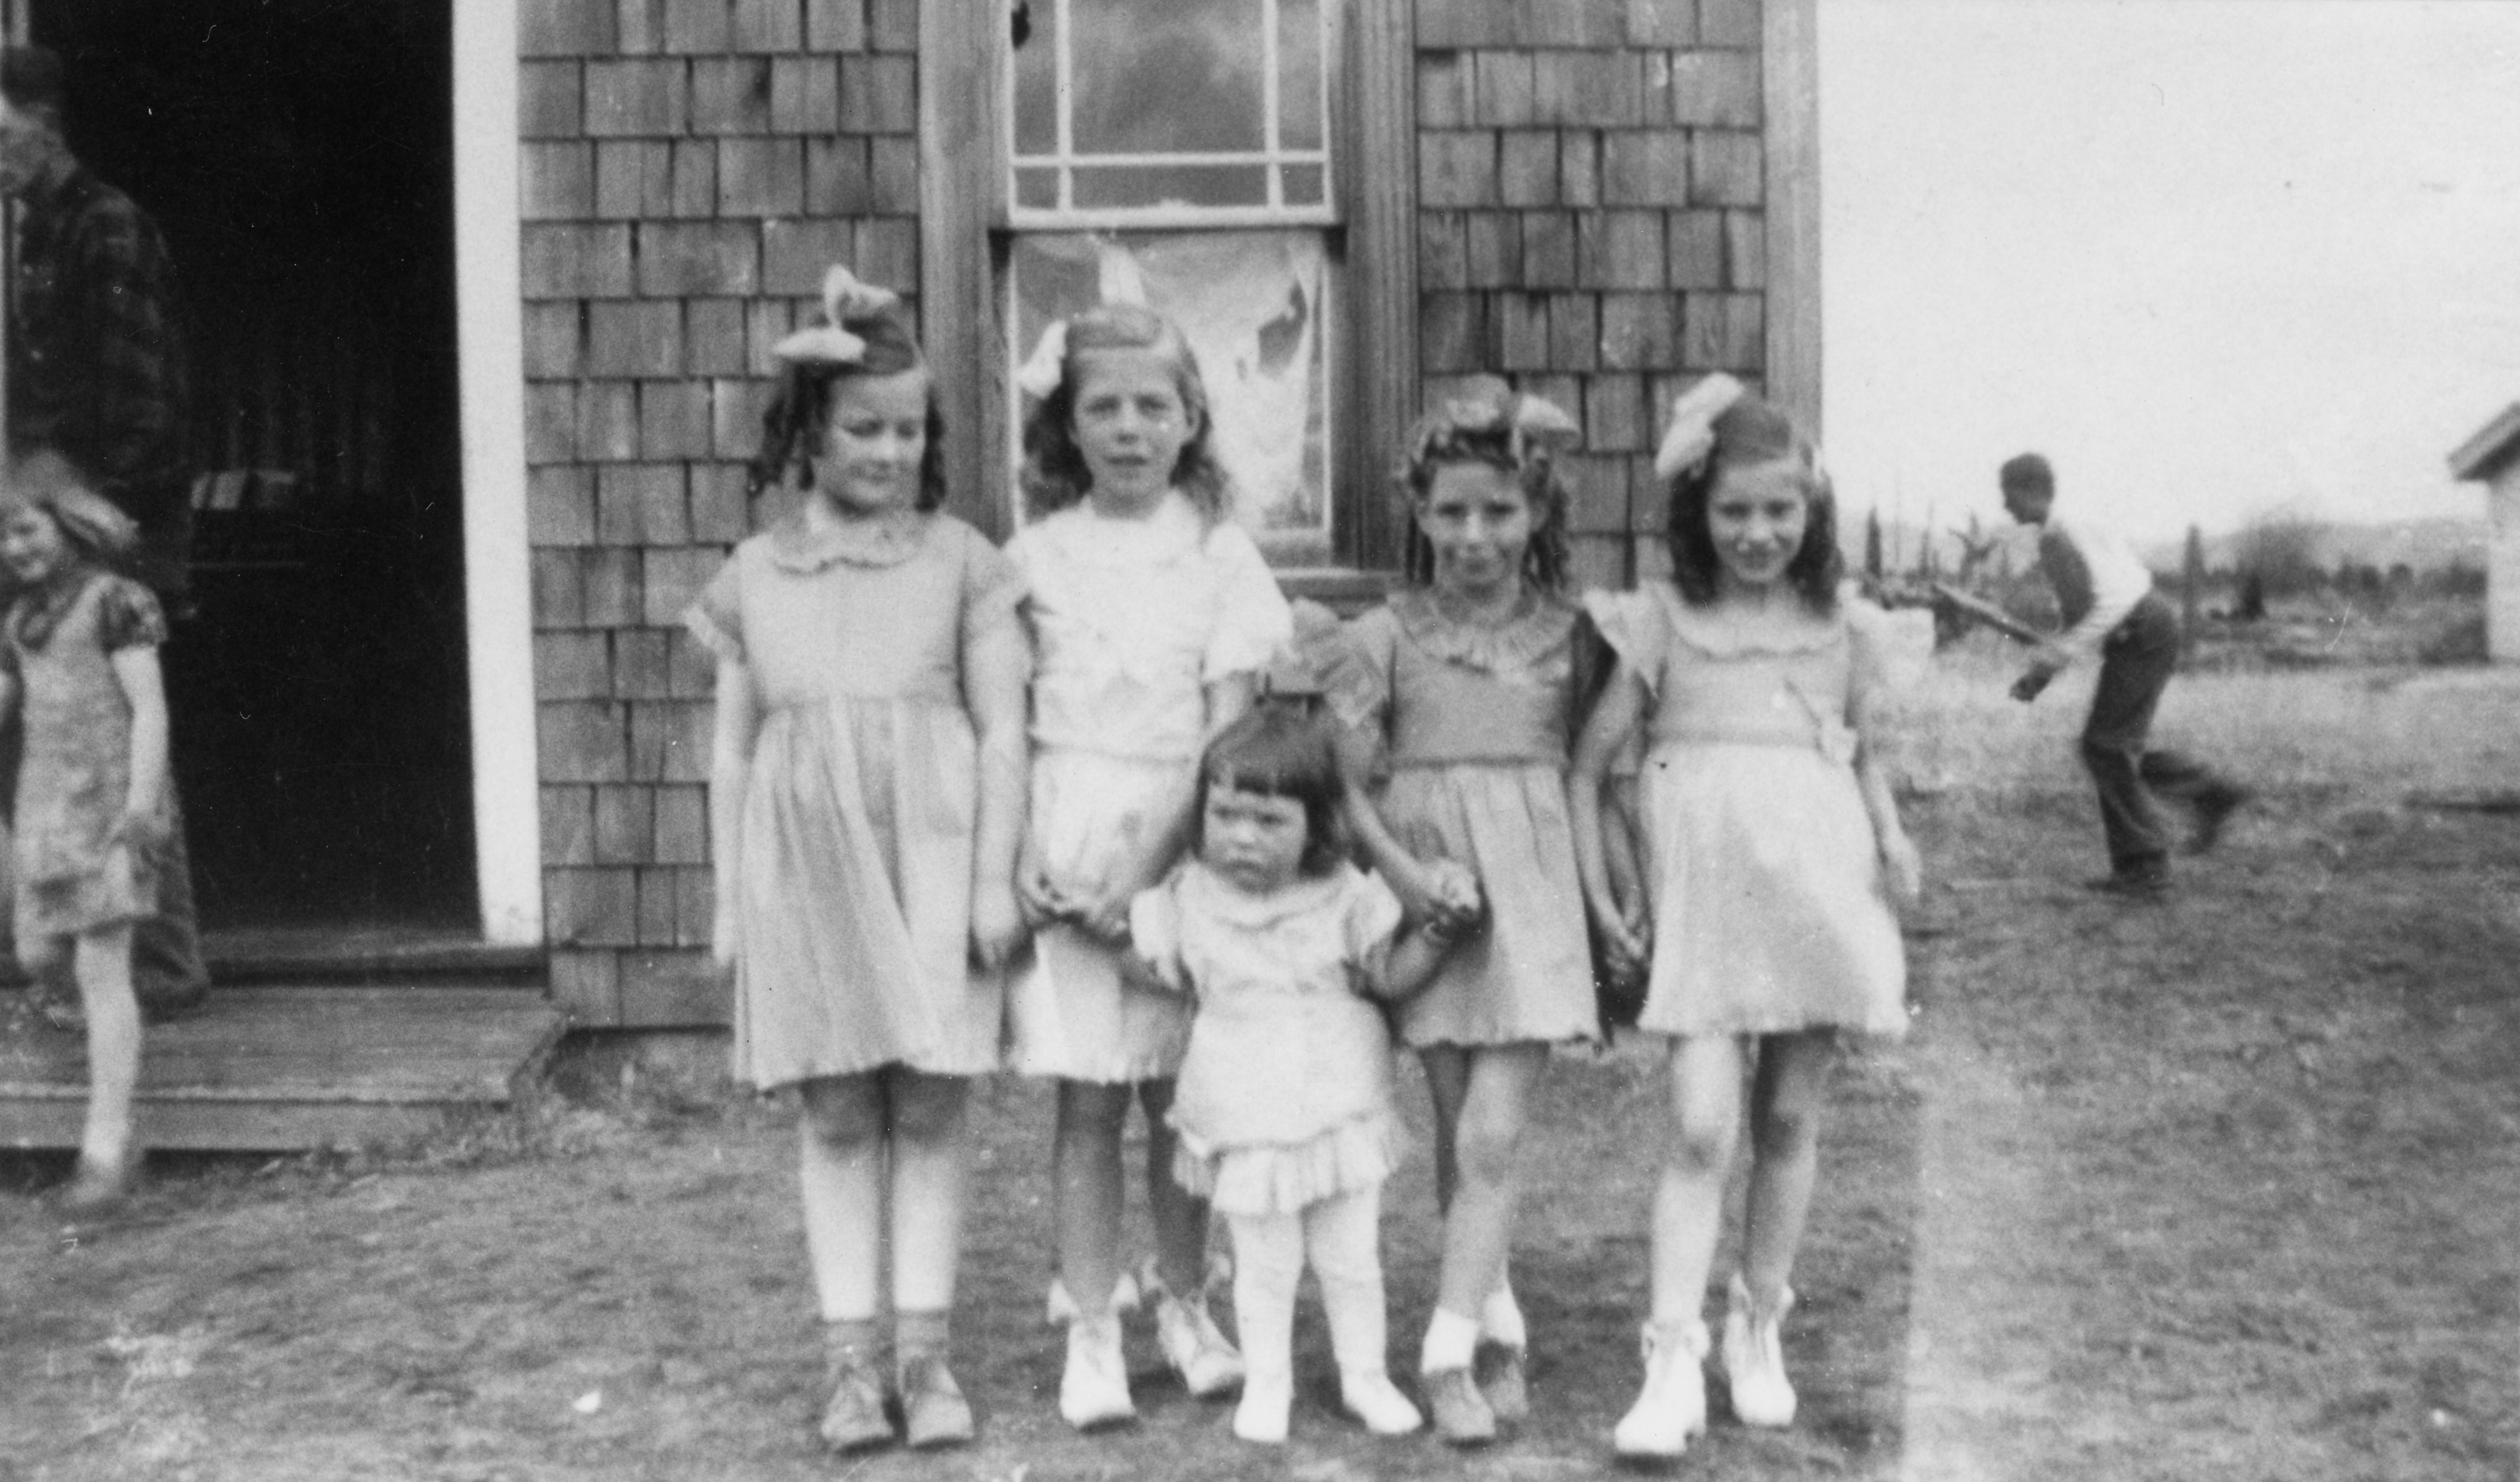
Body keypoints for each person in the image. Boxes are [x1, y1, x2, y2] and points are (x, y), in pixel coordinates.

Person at [687, 265, 1029, 1453]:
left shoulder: (962, 562)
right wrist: (730, 902)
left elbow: (1003, 733)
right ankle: (849, 1364)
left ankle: (926, 1356)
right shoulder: (754, 574)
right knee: (836, 1109)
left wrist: (992, 879)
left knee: (930, 1102)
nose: (890, 451)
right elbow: (733, 753)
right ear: (808, 434)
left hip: (934, 857)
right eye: (864, 428)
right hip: (806, 867)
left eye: (909, 430)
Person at [1570, 375, 1921, 1461]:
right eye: (1734, 510)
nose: (1758, 532)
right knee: (1698, 1125)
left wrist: (1891, 834)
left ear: (1812, 509)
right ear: (1697, 511)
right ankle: (1669, 1355)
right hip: (1706, 905)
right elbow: (1592, 768)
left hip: (1816, 892)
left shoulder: (1841, 627)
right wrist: (1611, 890)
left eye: (1779, 509)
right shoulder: (1663, 620)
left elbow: (1860, 757)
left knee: (1788, 1119)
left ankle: (1756, 1321)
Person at [1003, 302, 1293, 1429]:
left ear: (1191, 418)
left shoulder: (1219, 556)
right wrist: (1029, 859)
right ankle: (1092, 1328)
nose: (1129, 428)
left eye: (1152, 406)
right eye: (1104, 407)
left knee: (1180, 1097)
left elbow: (1225, 739)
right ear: (1068, 427)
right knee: (1087, 1102)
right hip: (1066, 840)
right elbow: (1006, 721)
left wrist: (1143, 879)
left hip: (1179, 848)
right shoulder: (1034, 557)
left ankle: (1184, 1299)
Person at [1320, 380, 1609, 1444]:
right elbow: (1348, 790)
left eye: (1498, 510)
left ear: (1536, 511)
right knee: (1458, 1132)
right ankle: (1497, 1321)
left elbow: (1596, 777)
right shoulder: (1382, 636)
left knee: (1491, 1131)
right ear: (1419, 511)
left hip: (1531, 904)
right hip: (1436, 903)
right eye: (1451, 512)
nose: (1474, 535)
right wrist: (1406, 882)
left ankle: (1442, 1354)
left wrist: (1612, 903)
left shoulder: (1575, 637)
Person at [1129, 703, 1461, 1444]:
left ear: (1316, 824)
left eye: (1270, 820)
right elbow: (1148, 963)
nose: (1243, 836)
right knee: (1265, 1261)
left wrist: (1437, 938)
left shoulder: (1344, 892)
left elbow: (1390, 975)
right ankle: (1268, 1382)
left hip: (1337, 1102)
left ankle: (1364, 1376)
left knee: (1350, 1257)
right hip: (1243, 1109)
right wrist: (1102, 926)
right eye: (1225, 815)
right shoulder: (1189, 896)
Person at [0, 45, 206, 1020]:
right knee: (61, 723)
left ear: (44, 123)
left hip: (118, 517)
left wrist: (88, 513)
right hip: (60, 512)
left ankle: (159, 967)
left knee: (124, 729)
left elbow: (145, 407)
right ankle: (98, 952)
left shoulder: (106, 225)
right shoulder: (29, 233)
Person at [0, 455, 177, 1209]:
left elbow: (150, 711)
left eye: (26, 528)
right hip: (46, 810)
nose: (15, 547)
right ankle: (115, 1042)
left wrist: (140, 806)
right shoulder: (21, 618)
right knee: (39, 955)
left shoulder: (116, 601)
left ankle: (107, 1148)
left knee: (103, 970)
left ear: (68, 523)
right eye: (2, 537)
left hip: (111, 807)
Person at [1998, 452, 2249, 896]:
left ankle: (2146, 866)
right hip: (2138, 630)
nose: (2005, 505)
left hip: (2144, 628)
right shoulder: (2052, 539)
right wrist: (2043, 673)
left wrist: (2055, 658)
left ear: (2031, 490)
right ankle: (2209, 793)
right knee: (2115, 746)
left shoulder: (2071, 529)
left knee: (2107, 746)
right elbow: (2080, 613)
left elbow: (2114, 601)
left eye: (2008, 494)